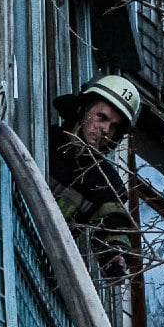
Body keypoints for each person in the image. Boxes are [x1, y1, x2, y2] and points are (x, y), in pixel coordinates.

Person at [49, 75, 143, 278]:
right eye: (102, 117)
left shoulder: (105, 184)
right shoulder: (41, 138)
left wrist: (116, 255)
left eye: (114, 126)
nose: (106, 130)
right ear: (82, 110)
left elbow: (114, 225)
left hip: (40, 264)